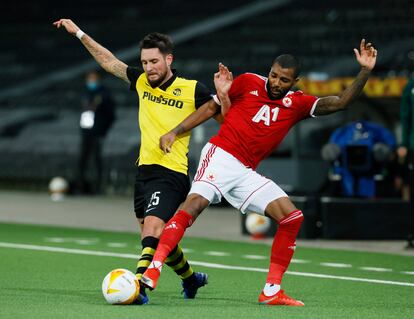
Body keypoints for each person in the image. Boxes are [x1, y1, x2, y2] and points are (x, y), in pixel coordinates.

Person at [141, 39, 377, 306]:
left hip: (245, 171)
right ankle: (154, 269)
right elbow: (211, 107)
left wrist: (365, 71)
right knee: (193, 206)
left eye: (284, 80)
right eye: (274, 75)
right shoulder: (248, 82)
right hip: (221, 155)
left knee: (292, 217)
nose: (276, 83)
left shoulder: (298, 104)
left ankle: (272, 290)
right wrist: (175, 131)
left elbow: (342, 102)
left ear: (295, 81)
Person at [54, 19, 220, 304]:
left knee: (153, 228)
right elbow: (110, 62)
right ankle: (190, 279)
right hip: (144, 170)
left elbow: (222, 115)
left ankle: (139, 287)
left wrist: (224, 96)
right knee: (150, 233)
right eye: (144, 62)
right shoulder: (142, 82)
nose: (148, 68)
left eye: (154, 61)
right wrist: (79, 33)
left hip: (172, 172)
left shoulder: (192, 88)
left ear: (169, 59)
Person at [78, 70, 115, 194]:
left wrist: (103, 130)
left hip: (98, 132)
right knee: (83, 158)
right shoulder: (84, 92)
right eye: (89, 79)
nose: (91, 81)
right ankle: (81, 186)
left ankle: (97, 187)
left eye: (93, 79)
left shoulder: (104, 94)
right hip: (86, 131)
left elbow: (111, 114)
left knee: (97, 159)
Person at [398, 76, 414, 247]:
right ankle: (411, 234)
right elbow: (405, 116)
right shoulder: (411, 86)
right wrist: (403, 143)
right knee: (411, 190)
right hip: (413, 146)